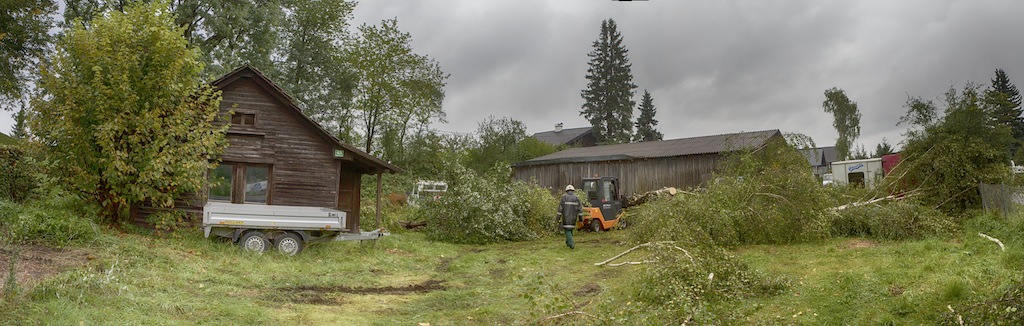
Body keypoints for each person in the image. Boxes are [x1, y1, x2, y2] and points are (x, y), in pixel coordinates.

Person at [558, 184, 583, 249]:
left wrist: (558, 217)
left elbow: (560, 209)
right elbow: (580, 209)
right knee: (570, 230)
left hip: (566, 218)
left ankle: (571, 244)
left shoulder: (564, 197)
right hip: (574, 218)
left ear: (566, 191)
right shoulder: (576, 198)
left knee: (567, 231)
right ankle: (568, 242)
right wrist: (580, 219)